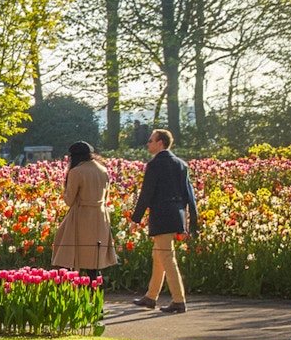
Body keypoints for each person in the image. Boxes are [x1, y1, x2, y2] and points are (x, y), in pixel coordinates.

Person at [129, 129, 199, 313]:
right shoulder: (181, 164)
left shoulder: (154, 165)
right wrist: (189, 219)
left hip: (161, 215)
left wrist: (135, 218)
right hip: (177, 214)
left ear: (160, 143)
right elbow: (188, 194)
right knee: (158, 255)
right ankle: (151, 297)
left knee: (167, 257)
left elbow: (146, 194)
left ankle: (178, 300)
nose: (148, 144)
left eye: (151, 140)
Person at [51, 141, 118, 286]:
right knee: (94, 259)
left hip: (82, 216)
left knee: (68, 250)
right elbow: (106, 197)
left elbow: (69, 200)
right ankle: (95, 293)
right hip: (100, 217)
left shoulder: (77, 172)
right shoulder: (102, 170)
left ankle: (67, 288)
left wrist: (65, 187)